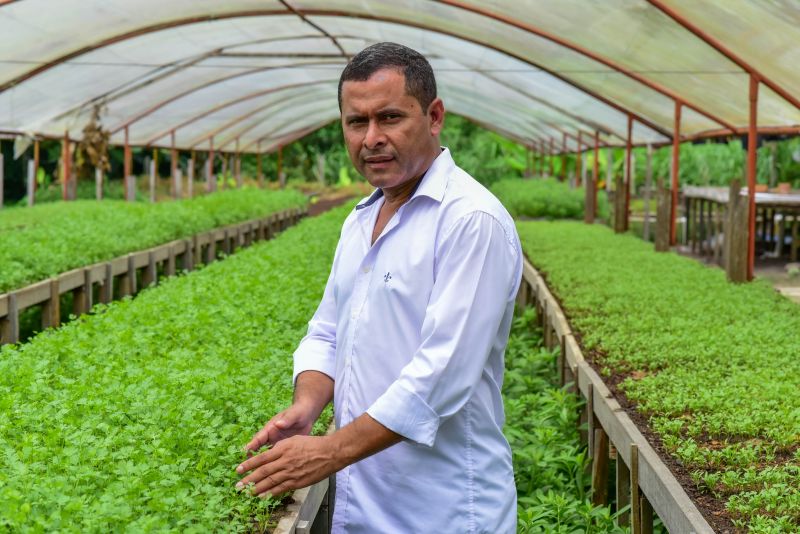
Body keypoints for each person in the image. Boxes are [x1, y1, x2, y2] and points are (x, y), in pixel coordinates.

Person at [236, 42, 522, 533]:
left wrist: (328, 451)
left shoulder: (469, 220)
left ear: (433, 116)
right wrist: (308, 406)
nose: (371, 138)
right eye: (356, 122)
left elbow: (440, 377)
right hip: (362, 502)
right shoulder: (362, 217)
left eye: (389, 118)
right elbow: (328, 332)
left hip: (443, 511)